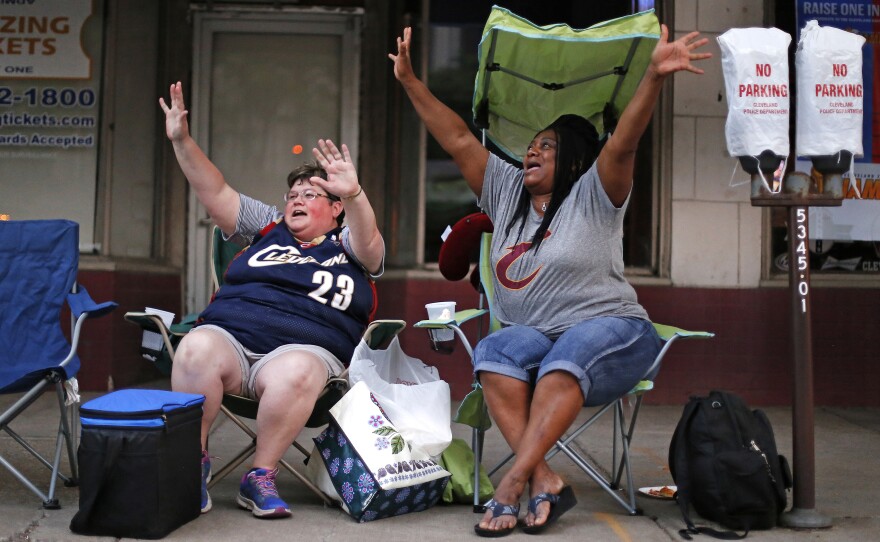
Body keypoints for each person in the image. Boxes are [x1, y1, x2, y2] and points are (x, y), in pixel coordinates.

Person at [390, 23, 710, 536]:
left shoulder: (595, 193)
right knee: (494, 355)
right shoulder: (505, 191)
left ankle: (513, 482)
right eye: (531, 146)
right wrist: (409, 81)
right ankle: (546, 479)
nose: (532, 153)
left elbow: (624, 145)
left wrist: (652, 75)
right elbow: (455, 137)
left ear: (577, 162)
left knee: (567, 357)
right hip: (536, 337)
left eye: (548, 147)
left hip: (612, 331)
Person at [159, 81, 384, 519]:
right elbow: (215, 191)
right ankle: (191, 463)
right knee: (195, 346)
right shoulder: (267, 227)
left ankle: (260, 476)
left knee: (298, 369)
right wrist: (182, 141)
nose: (296, 201)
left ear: (336, 208)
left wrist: (354, 194)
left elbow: (371, 240)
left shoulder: (349, 244)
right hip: (230, 338)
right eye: (292, 196)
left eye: (311, 195)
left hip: (303, 354)